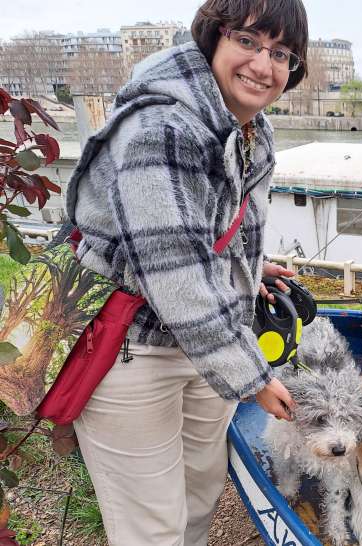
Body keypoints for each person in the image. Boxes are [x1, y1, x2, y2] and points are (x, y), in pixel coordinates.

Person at [65, 0, 309, 544]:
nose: (263, 65)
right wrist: (254, 375)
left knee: (200, 493)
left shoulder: (251, 129)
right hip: (131, 346)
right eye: (247, 41)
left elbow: (203, 229)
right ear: (213, 38)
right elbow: (175, 272)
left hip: (207, 342)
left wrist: (250, 267)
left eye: (282, 53)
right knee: (151, 526)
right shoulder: (162, 126)